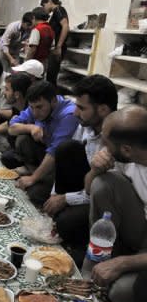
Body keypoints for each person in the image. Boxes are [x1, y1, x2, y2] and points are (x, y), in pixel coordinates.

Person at [83, 106, 147, 302]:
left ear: (127, 149)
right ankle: (96, 263)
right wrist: (95, 170)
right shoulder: (127, 156)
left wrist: (124, 264)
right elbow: (90, 191)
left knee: (120, 293)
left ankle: (114, 266)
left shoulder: (126, 152)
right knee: (103, 183)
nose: (101, 147)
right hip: (139, 229)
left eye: (105, 142)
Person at [42, 75, 116, 258]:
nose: (75, 112)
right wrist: (55, 197)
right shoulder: (86, 126)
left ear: (103, 109)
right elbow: (65, 162)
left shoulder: (117, 139)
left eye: (81, 107)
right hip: (84, 188)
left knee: (66, 222)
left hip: (103, 202)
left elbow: (103, 193)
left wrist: (65, 199)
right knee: (67, 149)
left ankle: (80, 246)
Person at [6, 80, 78, 204]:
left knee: (34, 193)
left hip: (61, 165)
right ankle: (35, 172)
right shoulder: (36, 104)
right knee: (10, 153)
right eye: (32, 107)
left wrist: (33, 179)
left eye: (39, 107)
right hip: (44, 152)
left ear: (53, 101)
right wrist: (31, 127)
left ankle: (38, 175)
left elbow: (54, 153)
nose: (35, 113)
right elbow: (11, 128)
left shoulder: (69, 115)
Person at [41, 0, 69, 86]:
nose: (44, 8)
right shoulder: (55, 13)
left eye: (44, 5)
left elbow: (65, 26)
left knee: (51, 77)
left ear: (49, 1)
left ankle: (51, 99)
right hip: (55, 48)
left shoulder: (58, 9)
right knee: (50, 76)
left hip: (57, 48)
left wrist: (59, 46)